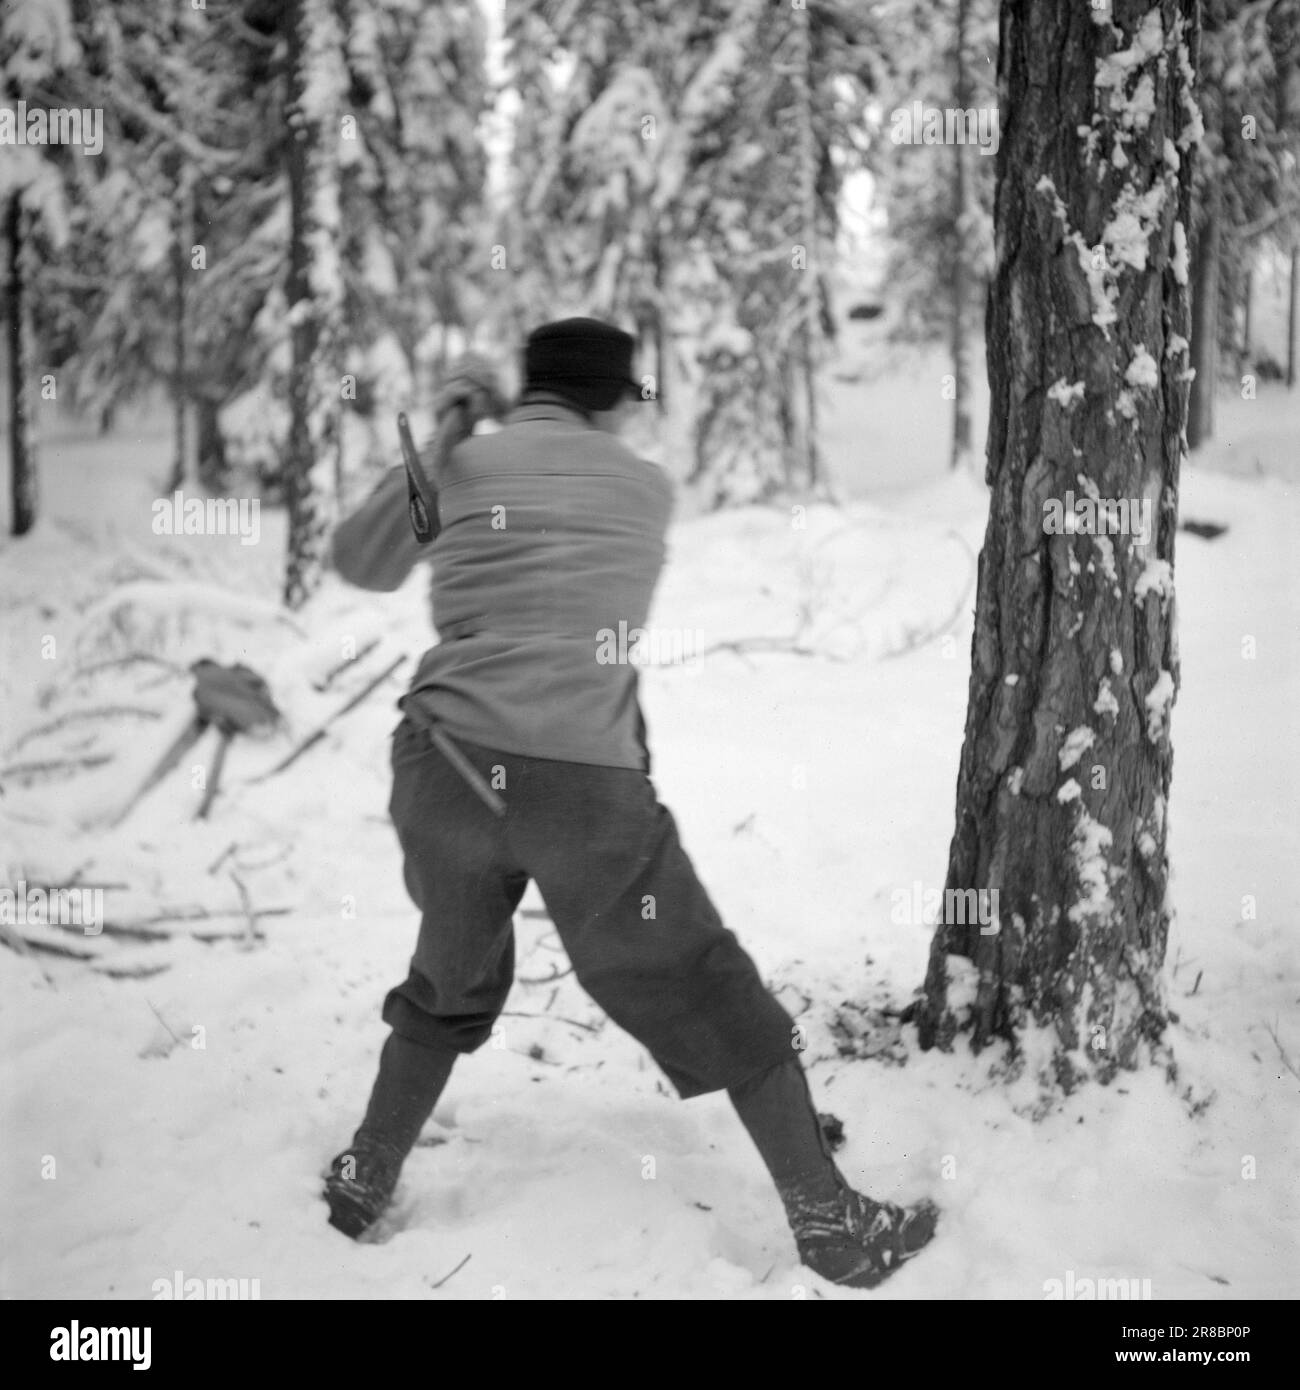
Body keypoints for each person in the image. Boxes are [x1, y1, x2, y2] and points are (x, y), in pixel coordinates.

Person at [325, 317, 938, 1288]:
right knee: (701, 978)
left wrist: (450, 432)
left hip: (439, 769)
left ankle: (365, 1173)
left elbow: (358, 563)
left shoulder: (468, 466)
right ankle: (829, 1221)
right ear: (611, 398)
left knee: (450, 970)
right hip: (582, 789)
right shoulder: (642, 490)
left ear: (526, 388)